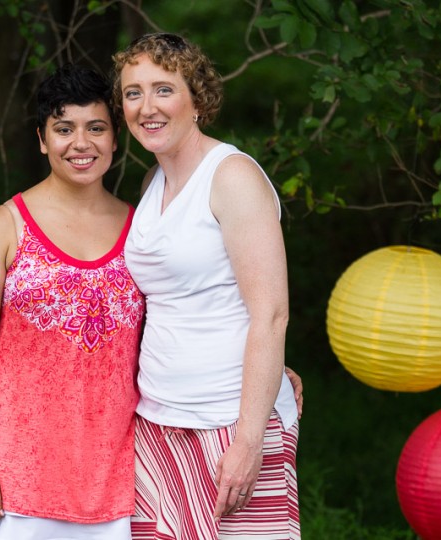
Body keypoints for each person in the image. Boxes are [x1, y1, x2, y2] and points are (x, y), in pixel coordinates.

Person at [0, 63, 146, 540]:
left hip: (120, 473)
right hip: (20, 471)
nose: (82, 143)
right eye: (64, 129)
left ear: (116, 138)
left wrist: (264, 370)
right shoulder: (2, 228)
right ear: (41, 139)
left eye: (96, 127)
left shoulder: (144, 232)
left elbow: (186, 321)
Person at [113, 33, 302, 539]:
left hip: (229, 422)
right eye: (133, 93)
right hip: (158, 420)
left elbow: (271, 313)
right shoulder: (155, 182)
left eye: (163, 89)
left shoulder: (232, 176)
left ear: (197, 98)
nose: (146, 107)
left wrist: (249, 439)